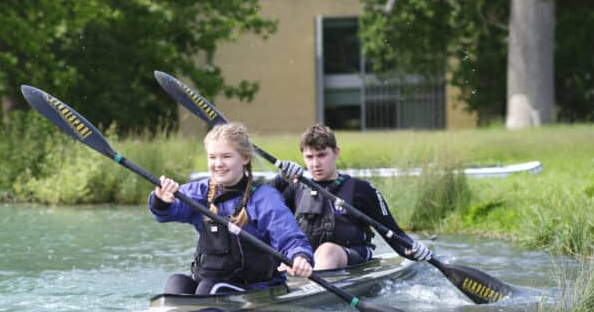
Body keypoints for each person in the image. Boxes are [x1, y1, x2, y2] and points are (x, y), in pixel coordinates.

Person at [150, 122, 315, 295]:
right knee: (176, 282)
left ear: (245, 158)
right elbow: (164, 213)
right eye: (212, 157)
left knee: (208, 288)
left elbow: (288, 236)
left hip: (254, 287)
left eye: (226, 156)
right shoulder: (200, 192)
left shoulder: (264, 198)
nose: (218, 163)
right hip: (208, 283)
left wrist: (300, 257)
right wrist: (161, 199)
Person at [273, 124, 432, 270]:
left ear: (336, 153)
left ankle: (312, 291)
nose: (315, 164)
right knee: (285, 257)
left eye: (321, 155)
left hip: (352, 255)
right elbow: (258, 208)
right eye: (309, 157)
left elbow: (394, 233)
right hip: (306, 259)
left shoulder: (361, 189)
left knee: (327, 250)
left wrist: (413, 250)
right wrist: (280, 180)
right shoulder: (295, 187)